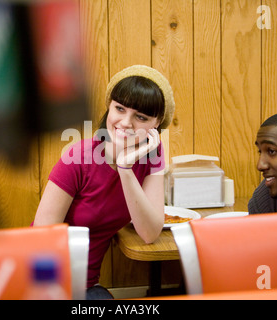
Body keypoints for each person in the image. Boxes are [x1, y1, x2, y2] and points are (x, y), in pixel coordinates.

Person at [33, 65, 175, 299]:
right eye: (120, 108)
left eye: (141, 117)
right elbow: (41, 238)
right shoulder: (78, 158)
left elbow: (149, 234)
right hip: (45, 281)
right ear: (109, 107)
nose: (126, 123)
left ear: (157, 123)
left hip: (86, 286)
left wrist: (125, 169)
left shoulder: (152, 154)